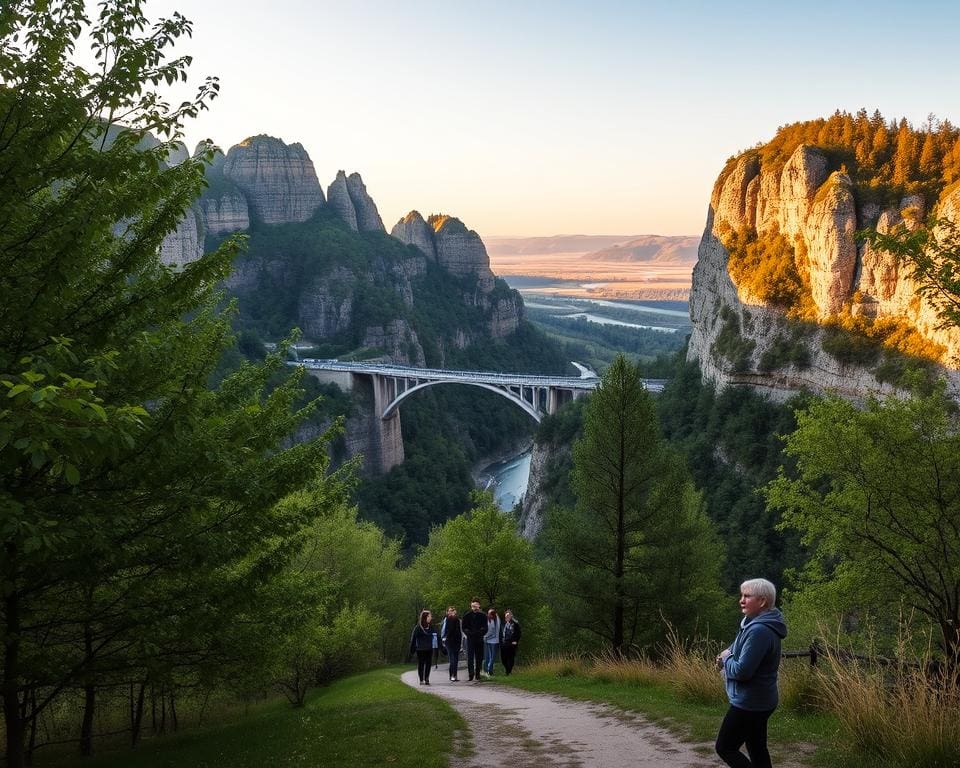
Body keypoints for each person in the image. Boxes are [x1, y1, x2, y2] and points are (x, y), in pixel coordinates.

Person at [715, 578, 787, 768]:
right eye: (742, 595)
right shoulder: (753, 623)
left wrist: (726, 660)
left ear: (762, 602)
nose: (741, 600)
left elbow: (742, 671)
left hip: (750, 703)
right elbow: (737, 648)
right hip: (761, 699)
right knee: (756, 747)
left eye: (747, 596)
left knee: (725, 747)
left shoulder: (760, 630)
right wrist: (725, 657)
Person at [409, 609, 438, 685]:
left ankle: (427, 679)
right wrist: (412, 649)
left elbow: (436, 637)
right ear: (426, 617)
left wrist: (439, 647)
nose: (431, 617)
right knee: (421, 664)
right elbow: (413, 639)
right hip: (420, 649)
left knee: (428, 664)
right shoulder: (418, 628)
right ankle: (421, 679)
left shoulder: (431, 627)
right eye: (430, 616)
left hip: (429, 649)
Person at [461, 598, 487, 682]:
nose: (475, 607)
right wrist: (469, 633)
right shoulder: (467, 615)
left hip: (479, 638)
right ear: (471, 606)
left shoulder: (483, 616)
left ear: (479, 606)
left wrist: (480, 632)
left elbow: (485, 628)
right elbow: (464, 627)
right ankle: (471, 674)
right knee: (470, 657)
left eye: (476, 606)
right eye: (473, 606)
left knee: (479, 657)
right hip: (470, 639)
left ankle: (478, 673)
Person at [441, 605, 463, 682]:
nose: (451, 612)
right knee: (452, 659)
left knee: (456, 659)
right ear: (447, 612)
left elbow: (460, 632)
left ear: (455, 611)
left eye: (453, 610)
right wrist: (443, 639)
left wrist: (461, 643)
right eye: (450, 610)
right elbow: (444, 631)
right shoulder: (446, 620)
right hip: (449, 642)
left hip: (457, 642)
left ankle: (455, 675)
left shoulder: (458, 620)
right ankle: (452, 675)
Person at [499, 609, 522, 675]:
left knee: (510, 657)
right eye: (506, 616)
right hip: (504, 643)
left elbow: (519, 633)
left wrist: (516, 641)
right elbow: (500, 633)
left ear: (511, 616)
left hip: (512, 643)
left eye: (508, 616)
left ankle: (508, 671)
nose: (507, 617)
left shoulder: (515, 623)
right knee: (503, 659)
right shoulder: (503, 624)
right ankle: (507, 669)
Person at [483, 607, 501, 677]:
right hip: (488, 640)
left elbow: (494, 632)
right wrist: (485, 636)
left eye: (490, 614)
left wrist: (485, 636)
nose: (488, 615)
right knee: (488, 656)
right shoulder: (489, 619)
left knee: (492, 656)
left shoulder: (496, 620)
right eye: (488, 613)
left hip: (494, 641)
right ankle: (488, 671)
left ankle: (489, 669)